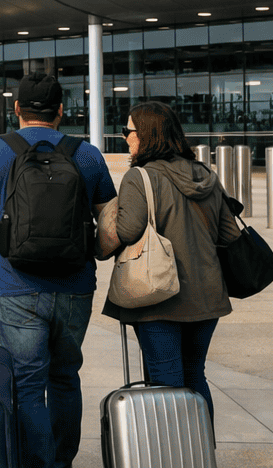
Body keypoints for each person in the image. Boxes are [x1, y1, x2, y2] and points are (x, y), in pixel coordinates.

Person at [0, 72, 115, 468]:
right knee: (65, 377)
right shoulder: (87, 155)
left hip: (16, 285)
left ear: (17, 110)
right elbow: (111, 224)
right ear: (62, 111)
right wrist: (91, 254)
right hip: (75, 286)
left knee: (26, 384)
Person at [103, 101, 241, 426]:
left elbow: (128, 229)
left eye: (129, 131)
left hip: (159, 297)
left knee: (165, 382)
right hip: (207, 296)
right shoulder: (207, 175)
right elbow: (229, 234)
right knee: (195, 377)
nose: (125, 138)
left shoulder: (141, 177)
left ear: (147, 135)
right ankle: (201, 459)